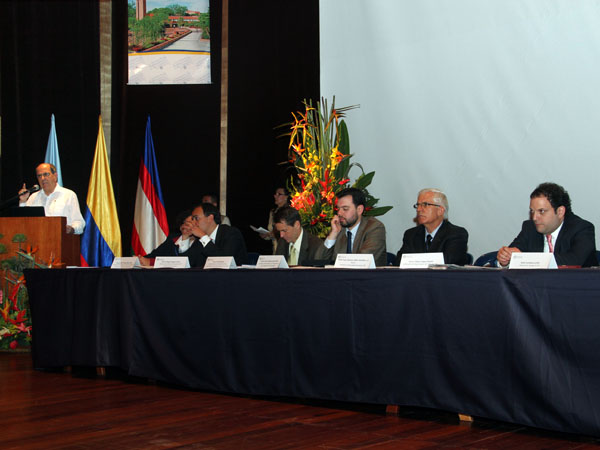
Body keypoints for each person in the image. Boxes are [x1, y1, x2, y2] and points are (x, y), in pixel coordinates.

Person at [497, 182, 597, 267]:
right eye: (532, 211)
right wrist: (505, 259)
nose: (534, 218)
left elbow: (574, 261)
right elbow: (512, 253)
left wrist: (527, 259)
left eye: (541, 211)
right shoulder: (530, 228)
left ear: (560, 211)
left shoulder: (581, 228)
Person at [395, 188, 469, 265]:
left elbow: (448, 262)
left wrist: (415, 261)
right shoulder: (411, 234)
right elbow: (399, 262)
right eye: (418, 205)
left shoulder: (456, 234)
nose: (419, 209)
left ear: (440, 210)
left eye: (425, 205)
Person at [315, 187, 387, 266]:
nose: (339, 213)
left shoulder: (374, 228)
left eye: (345, 209)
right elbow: (318, 261)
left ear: (359, 209)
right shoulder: (339, 229)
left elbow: (362, 262)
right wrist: (333, 234)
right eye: (338, 209)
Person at [18, 163, 85, 234]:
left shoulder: (68, 195)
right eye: (39, 176)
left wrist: (71, 229)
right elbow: (24, 222)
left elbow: (79, 222)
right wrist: (23, 201)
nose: (42, 178)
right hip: (38, 238)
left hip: (61, 238)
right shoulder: (33, 197)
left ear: (55, 176)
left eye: (46, 174)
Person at [186, 202, 248, 267]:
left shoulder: (231, 233)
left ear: (210, 218)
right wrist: (185, 237)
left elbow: (223, 261)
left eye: (196, 218)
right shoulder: (201, 239)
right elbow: (189, 262)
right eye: (192, 219)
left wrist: (203, 237)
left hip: (234, 273)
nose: (193, 223)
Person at [260, 186, 289, 253]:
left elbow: (289, 232)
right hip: (275, 250)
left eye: (279, 194)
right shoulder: (273, 212)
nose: (275, 196)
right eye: (275, 194)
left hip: (286, 249)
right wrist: (266, 235)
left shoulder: (290, 212)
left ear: (286, 197)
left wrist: (275, 234)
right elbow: (271, 233)